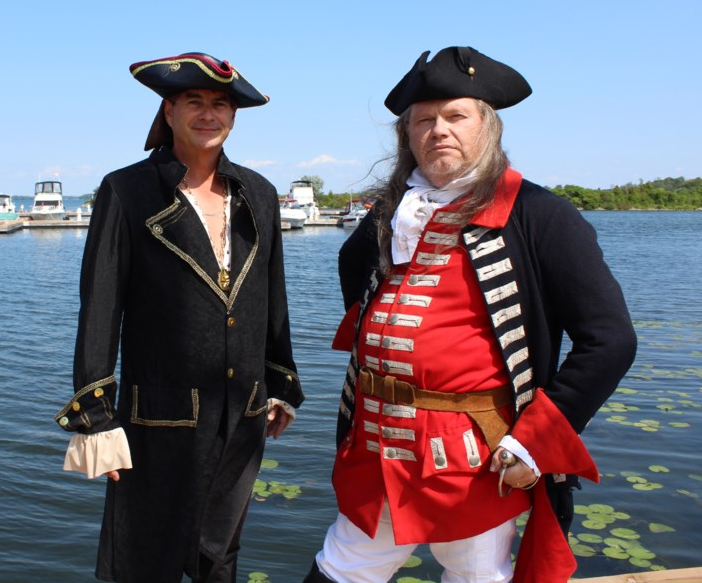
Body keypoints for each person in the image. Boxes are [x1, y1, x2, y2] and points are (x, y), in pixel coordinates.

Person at [304, 47, 637, 583]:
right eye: (424, 121)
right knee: (338, 570)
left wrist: (536, 437)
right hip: (377, 447)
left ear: (488, 127)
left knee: (477, 575)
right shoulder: (390, 216)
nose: (439, 130)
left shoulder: (539, 213)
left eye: (456, 116)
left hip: (474, 460)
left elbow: (611, 341)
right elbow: (358, 291)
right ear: (407, 136)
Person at [54, 52, 304, 583]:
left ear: (233, 117)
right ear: (169, 111)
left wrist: (280, 380)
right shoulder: (126, 190)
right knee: (144, 558)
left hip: (243, 410)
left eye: (221, 104)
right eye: (195, 102)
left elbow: (271, 293)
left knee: (221, 557)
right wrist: (96, 413)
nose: (209, 114)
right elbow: (100, 307)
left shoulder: (257, 192)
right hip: (158, 415)